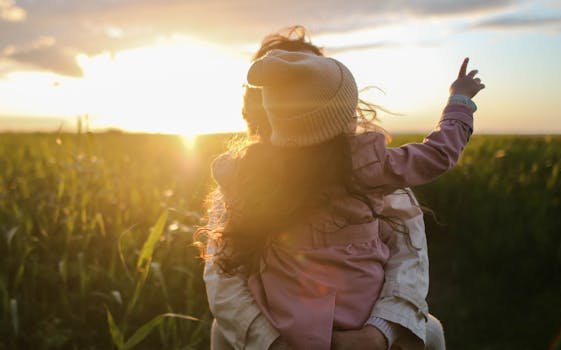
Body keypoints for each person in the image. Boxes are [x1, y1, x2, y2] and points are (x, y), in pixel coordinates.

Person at [198, 27, 484, 349]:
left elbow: (408, 259)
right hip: (278, 334)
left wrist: (379, 332)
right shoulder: (370, 168)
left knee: (430, 332)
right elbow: (225, 284)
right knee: (222, 331)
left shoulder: (246, 172)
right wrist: (273, 344)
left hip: (354, 328)